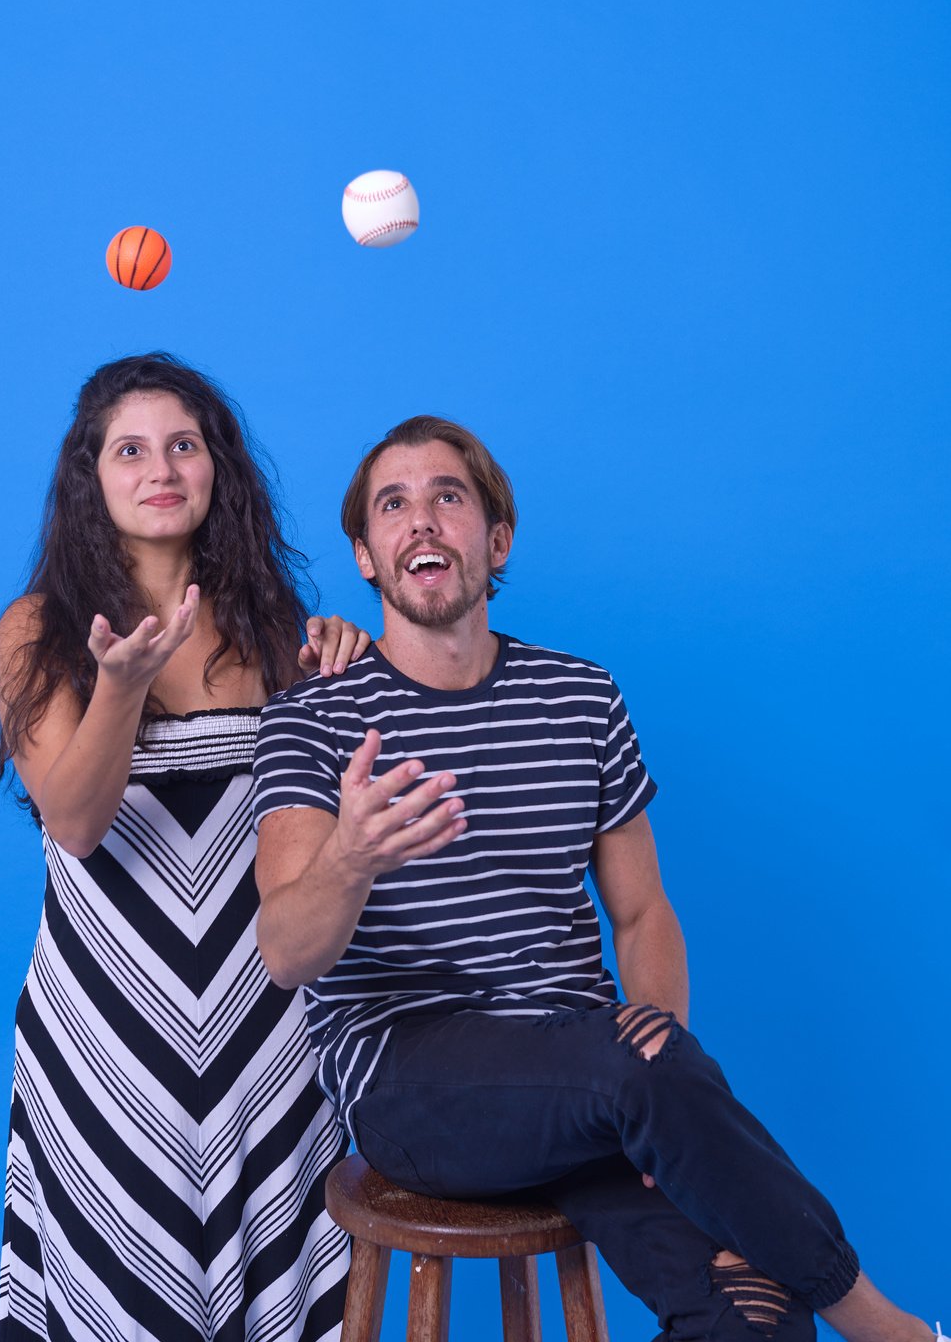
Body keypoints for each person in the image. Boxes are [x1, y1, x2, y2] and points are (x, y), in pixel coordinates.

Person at [252, 414, 935, 1342]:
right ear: (366, 556)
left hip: (586, 1074)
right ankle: (884, 1325)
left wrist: (669, 1103)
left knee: (754, 1319)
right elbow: (287, 953)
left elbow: (644, 911)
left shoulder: (581, 697)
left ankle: (793, 1280)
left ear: (495, 539)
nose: (421, 521)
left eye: (447, 497)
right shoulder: (316, 717)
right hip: (409, 1082)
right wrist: (352, 857)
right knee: (629, 1074)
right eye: (393, 505)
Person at [0, 352, 367, 1342]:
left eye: (182, 444)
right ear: (93, 477)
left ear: (216, 469)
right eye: (129, 449)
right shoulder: (37, 630)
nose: (159, 467)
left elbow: (315, 832)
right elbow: (74, 823)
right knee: (121, 1286)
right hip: (106, 1035)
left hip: (270, 1033)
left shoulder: (277, 628)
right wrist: (122, 684)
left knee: (283, 1283)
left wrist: (348, 675)